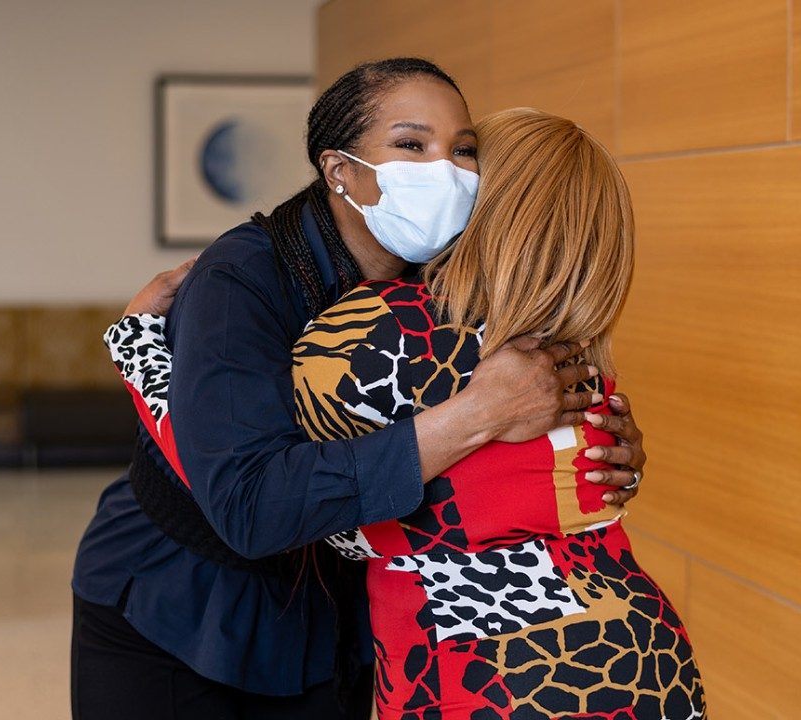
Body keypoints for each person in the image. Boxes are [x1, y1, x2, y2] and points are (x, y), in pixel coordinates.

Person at [71, 58, 648, 720]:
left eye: (462, 149)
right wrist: (480, 417)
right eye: (411, 145)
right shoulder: (243, 278)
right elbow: (249, 504)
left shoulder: (448, 288)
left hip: (348, 622)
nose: (445, 171)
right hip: (179, 610)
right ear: (339, 169)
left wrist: (602, 448)